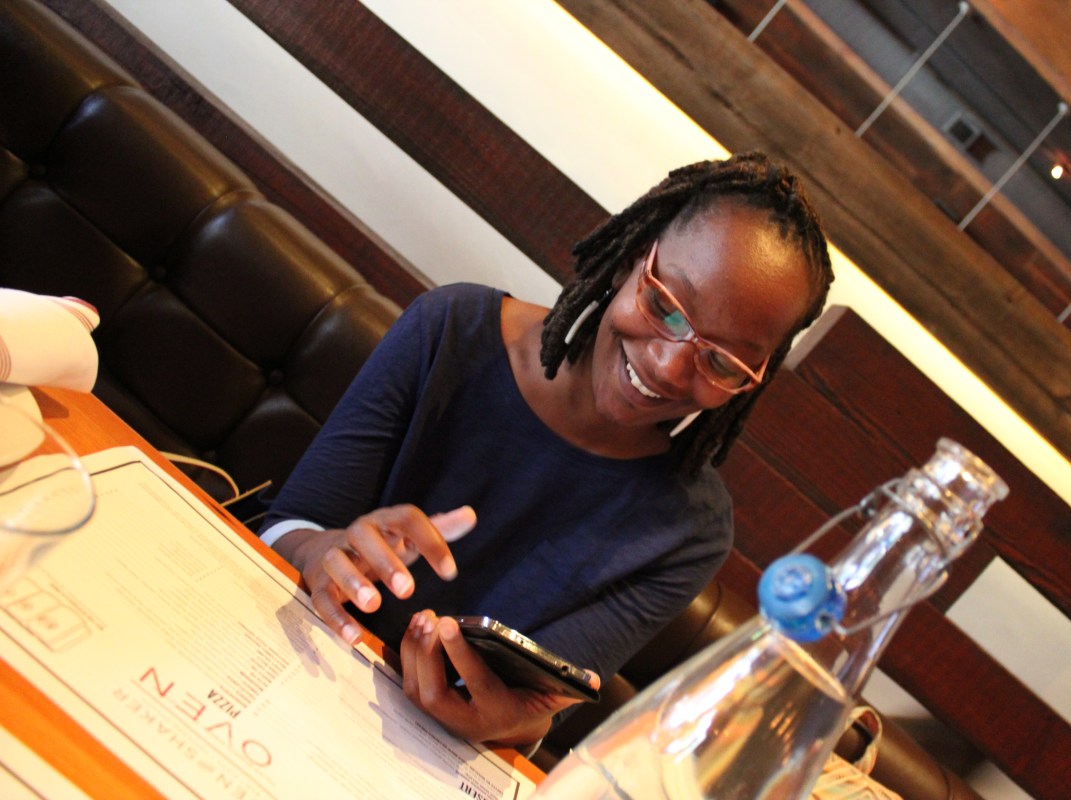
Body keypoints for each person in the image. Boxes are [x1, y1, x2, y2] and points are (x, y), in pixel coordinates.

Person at [258, 151, 834, 751]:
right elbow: (289, 527)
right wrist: (321, 551)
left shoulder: (690, 531)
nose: (667, 367)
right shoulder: (450, 331)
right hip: (288, 656)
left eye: (721, 361)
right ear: (631, 261)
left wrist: (509, 720)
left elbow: (538, 709)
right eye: (665, 306)